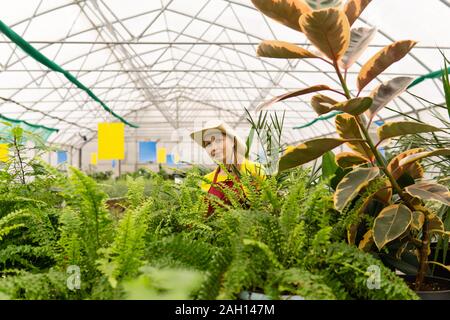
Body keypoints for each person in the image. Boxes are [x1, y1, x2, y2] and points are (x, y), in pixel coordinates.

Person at [190, 120, 265, 215]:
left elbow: (267, 210)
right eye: (208, 144)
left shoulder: (254, 169)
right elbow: (200, 215)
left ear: (233, 141)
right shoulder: (206, 180)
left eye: (218, 140)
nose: (213, 148)